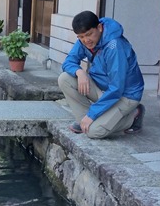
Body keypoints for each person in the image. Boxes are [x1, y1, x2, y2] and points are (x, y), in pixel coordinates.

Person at [58, 10, 145, 138]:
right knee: (65, 78)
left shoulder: (115, 46)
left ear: (99, 28)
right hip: (104, 90)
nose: (86, 40)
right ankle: (85, 121)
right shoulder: (85, 40)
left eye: (89, 34)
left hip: (125, 96)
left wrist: (92, 114)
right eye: (81, 37)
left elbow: (117, 88)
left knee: (94, 132)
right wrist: (79, 72)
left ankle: (134, 115)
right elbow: (68, 62)